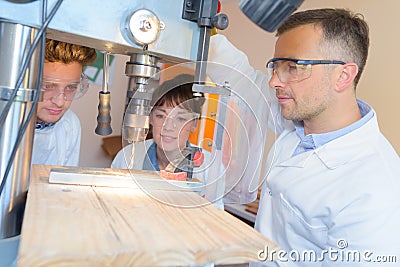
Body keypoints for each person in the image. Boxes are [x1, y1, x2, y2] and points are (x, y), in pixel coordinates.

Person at [207, 8, 400, 266]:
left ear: (343, 75)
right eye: (276, 67)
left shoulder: (375, 192)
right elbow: (242, 79)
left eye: (293, 67)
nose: (274, 80)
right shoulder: (300, 121)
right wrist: (203, 27)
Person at [112, 74, 225, 209]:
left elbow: (215, 217)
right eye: (160, 116)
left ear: (194, 123)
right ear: (151, 118)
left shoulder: (211, 167)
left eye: (181, 119)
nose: (169, 127)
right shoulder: (127, 157)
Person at [31, 39, 97, 166]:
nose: (60, 102)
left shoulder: (70, 124)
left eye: (71, 88)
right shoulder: (6, 123)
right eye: (47, 86)